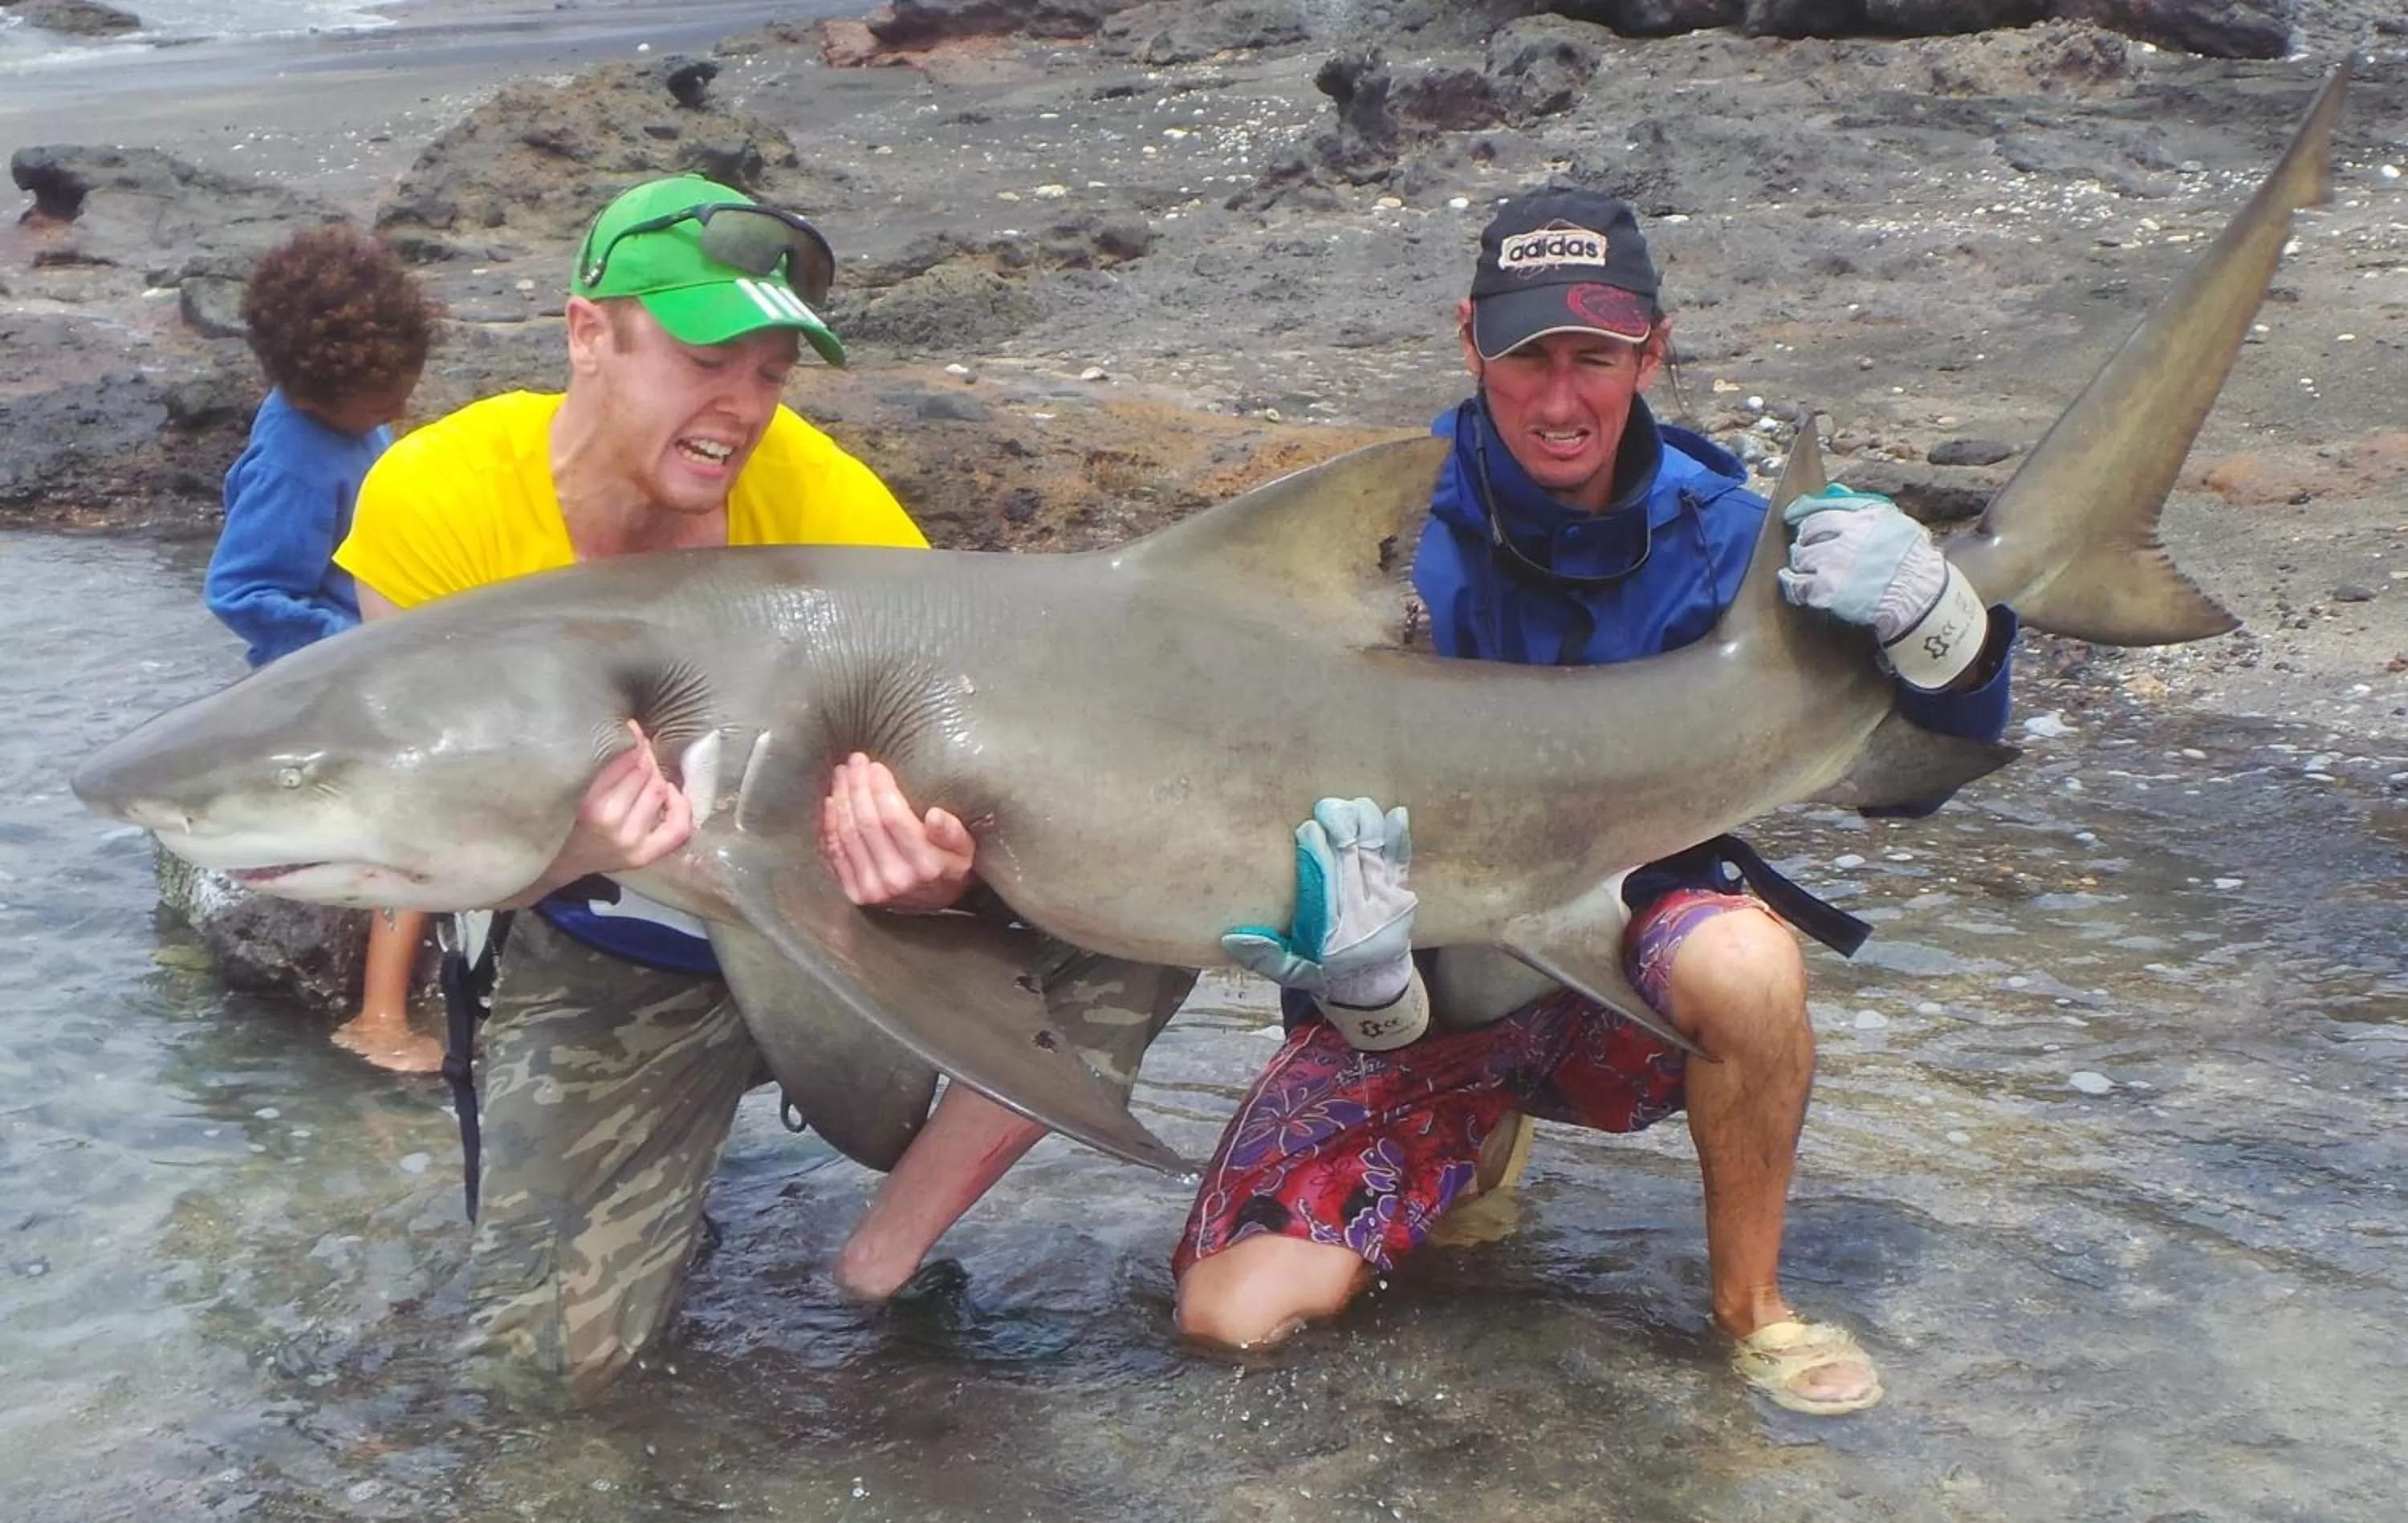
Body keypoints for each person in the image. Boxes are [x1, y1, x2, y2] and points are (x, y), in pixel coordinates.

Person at [331, 174, 1192, 1399]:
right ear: (588, 332)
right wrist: (567, 848)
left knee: (1148, 905)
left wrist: (944, 875)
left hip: (836, 932)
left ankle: (879, 1258)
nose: (737, 409)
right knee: (544, 1378)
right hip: (616, 947)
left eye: (771, 373)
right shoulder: (436, 500)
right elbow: (417, 800)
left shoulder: (828, 503)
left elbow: (968, 756)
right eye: (702, 358)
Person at [1170, 187, 2019, 1417]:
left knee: (1746, 961)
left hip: (1628, 957)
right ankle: (1476, 1138)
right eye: (1525, 361)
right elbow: (1272, 808)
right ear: (1469, 341)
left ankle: (1753, 1309)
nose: (1559, 401)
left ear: (1651, 352)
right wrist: (1354, 989)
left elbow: (1912, 784)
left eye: (1595, 359)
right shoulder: (1372, 549)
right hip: (1421, 981)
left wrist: (1951, 632)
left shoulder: (1738, 545)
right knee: (1227, 1321)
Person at [202, 222, 442, 1074]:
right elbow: (240, 590)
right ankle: (381, 1014)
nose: (402, 408)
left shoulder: (342, 419)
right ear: (315, 397)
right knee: (413, 823)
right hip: (324, 684)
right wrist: (356, 641)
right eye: (388, 402)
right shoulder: (297, 464)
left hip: (374, 651)